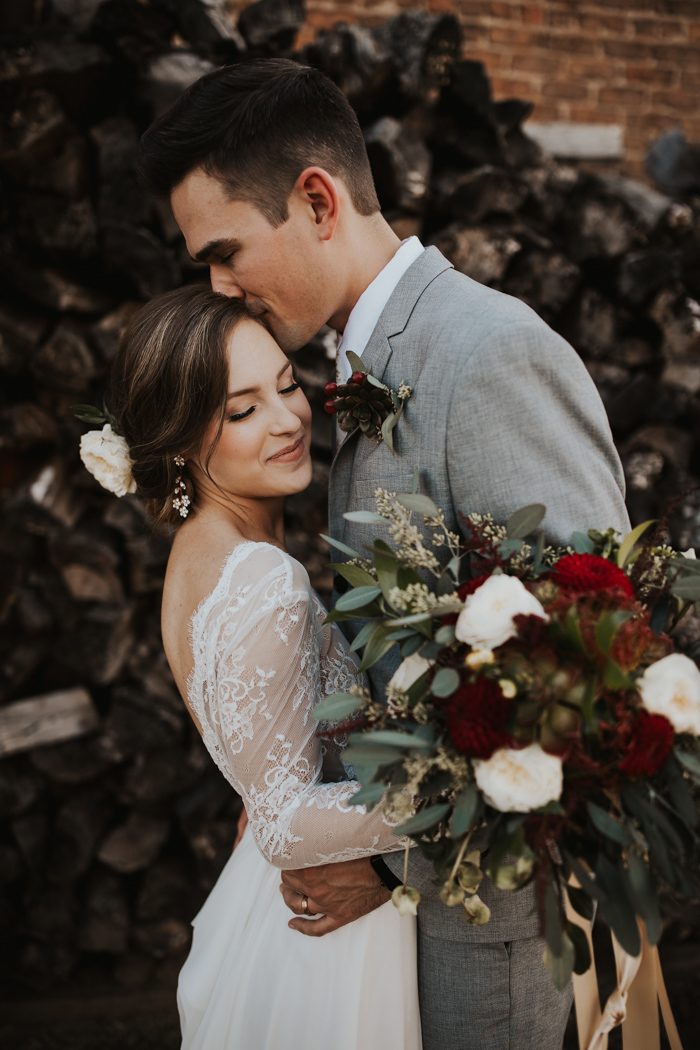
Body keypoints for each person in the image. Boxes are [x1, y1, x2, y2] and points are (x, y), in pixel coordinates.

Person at [138, 59, 631, 1050]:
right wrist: (307, 788)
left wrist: (381, 855)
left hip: (490, 954)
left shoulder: (485, 355)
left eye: (224, 251)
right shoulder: (360, 366)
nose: (218, 285)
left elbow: (587, 685)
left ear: (316, 199)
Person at [106, 286, 422, 1049]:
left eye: (285, 384)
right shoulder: (262, 580)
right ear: (182, 441)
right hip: (327, 941)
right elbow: (282, 820)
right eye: (242, 410)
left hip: (271, 910)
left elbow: (266, 771)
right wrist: (459, 791)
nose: (287, 420)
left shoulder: (198, 554)